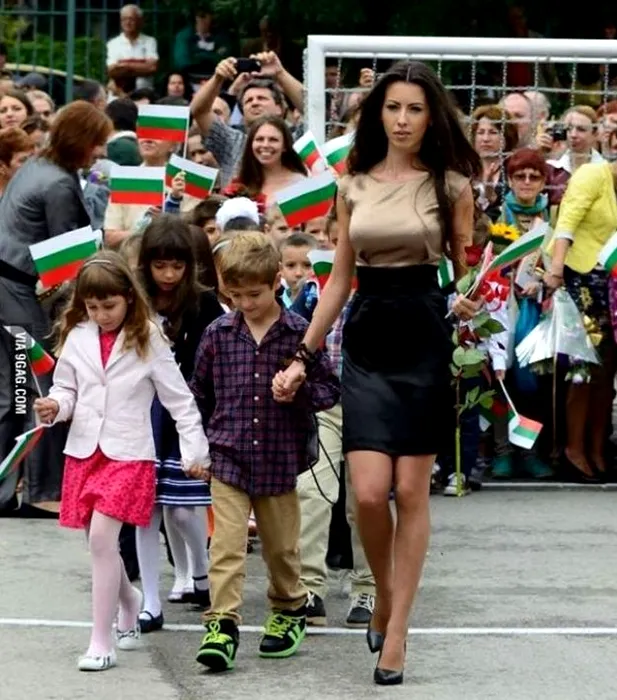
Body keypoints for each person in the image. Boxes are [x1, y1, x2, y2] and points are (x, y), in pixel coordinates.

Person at [275, 60, 481, 685]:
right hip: (366, 337)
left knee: (411, 492)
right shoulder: (352, 186)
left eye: (415, 109)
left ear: (432, 117)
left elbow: (466, 273)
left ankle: (397, 630)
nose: (403, 119)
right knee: (366, 493)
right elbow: (339, 280)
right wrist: (303, 355)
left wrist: (470, 301)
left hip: (424, 334)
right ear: (378, 114)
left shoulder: (452, 186)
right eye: (393, 107)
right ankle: (384, 597)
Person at [33, 251, 210, 671]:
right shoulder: (77, 334)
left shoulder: (150, 337)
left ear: (129, 296)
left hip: (129, 454)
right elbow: (67, 390)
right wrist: (55, 406)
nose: (101, 314)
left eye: (108, 305)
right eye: (92, 306)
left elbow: (180, 401)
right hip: (84, 452)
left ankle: (101, 641)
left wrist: (194, 452)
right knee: (99, 546)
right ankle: (129, 600)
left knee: (101, 541)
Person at [190, 232, 339, 673]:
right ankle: (222, 624)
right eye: (234, 295)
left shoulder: (299, 335)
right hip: (228, 456)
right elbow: (199, 394)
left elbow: (329, 389)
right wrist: (197, 446)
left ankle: (289, 607)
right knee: (226, 546)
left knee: (281, 549)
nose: (244, 303)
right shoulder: (218, 333)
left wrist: (299, 389)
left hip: (278, 459)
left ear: (276, 281)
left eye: (253, 294)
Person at [0, 101, 112, 514]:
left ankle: (6, 490)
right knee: (40, 387)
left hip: (7, 289)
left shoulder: (35, 166)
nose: (100, 152)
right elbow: (70, 263)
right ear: (81, 141)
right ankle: (43, 492)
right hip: (15, 295)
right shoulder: (59, 184)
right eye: (97, 143)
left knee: (11, 394)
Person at [135, 216, 223, 632]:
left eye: (177, 266)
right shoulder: (134, 300)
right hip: (140, 414)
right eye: (160, 266)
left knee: (185, 508)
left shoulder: (203, 303)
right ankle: (151, 601)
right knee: (145, 509)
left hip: (187, 413)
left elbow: (211, 362)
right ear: (146, 265)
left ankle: (201, 572)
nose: (168, 275)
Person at [544, 161, 617, 480]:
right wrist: (556, 270)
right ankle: (572, 449)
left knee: (607, 369)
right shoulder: (592, 174)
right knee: (583, 367)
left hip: (611, 285)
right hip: (580, 280)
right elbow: (566, 223)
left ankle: (598, 449)